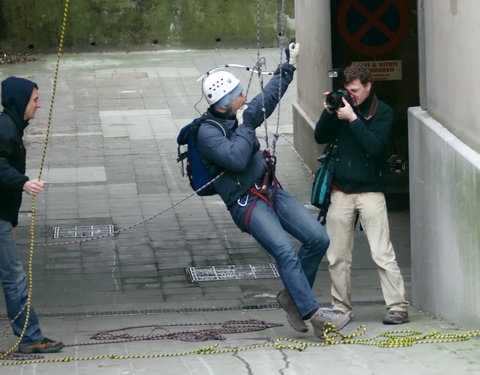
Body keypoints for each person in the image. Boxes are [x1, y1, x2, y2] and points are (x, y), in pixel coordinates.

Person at [196, 44, 333, 338]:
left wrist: (289, 65)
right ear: (224, 102)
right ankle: (312, 312)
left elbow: (268, 98)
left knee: (318, 238)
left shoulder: (239, 114)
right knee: (285, 250)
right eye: (239, 94)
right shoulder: (207, 133)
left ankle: (292, 299)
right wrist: (246, 124)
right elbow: (235, 158)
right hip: (245, 203)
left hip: (269, 189)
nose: (245, 97)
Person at [314, 63, 410, 328]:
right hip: (341, 191)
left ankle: (397, 307)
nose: (351, 95)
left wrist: (353, 120)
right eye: (348, 89)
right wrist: (329, 113)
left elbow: (375, 147)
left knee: (382, 252)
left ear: (369, 86)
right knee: (337, 255)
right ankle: (340, 307)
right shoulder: (342, 108)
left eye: (355, 90)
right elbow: (319, 136)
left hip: (370, 192)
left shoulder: (383, 113)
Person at [0, 76, 64, 353]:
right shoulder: (5, 128)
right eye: (34, 100)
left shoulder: (10, 126)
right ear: (20, 101)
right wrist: (24, 182)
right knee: (14, 277)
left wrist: (10, 221)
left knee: (12, 275)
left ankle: (30, 336)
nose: (38, 105)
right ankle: (30, 338)